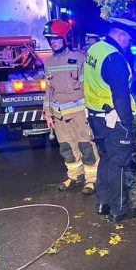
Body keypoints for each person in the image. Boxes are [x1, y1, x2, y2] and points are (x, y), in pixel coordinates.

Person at [84, 17, 136, 222]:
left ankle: (103, 203)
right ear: (119, 35)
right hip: (113, 119)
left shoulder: (94, 49)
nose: (129, 43)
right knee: (119, 163)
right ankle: (119, 210)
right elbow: (121, 96)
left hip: (95, 116)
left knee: (106, 160)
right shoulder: (114, 58)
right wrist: (127, 125)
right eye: (128, 39)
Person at [42, 19, 99, 193]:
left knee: (86, 147)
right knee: (67, 148)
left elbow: (88, 88)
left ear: (66, 38)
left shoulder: (80, 59)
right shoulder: (48, 63)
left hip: (79, 114)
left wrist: (91, 111)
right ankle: (74, 176)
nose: (54, 42)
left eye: (57, 39)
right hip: (59, 117)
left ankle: (92, 179)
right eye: (51, 39)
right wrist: (48, 113)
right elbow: (49, 91)